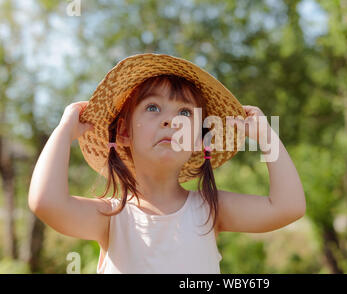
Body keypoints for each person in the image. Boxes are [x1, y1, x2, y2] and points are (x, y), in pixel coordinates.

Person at [28, 53, 306, 274]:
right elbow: (45, 202)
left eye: (184, 112)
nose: (170, 121)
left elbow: (288, 207)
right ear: (124, 132)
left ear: (199, 139)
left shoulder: (210, 209)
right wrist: (65, 130)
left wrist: (265, 135)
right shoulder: (111, 217)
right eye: (152, 107)